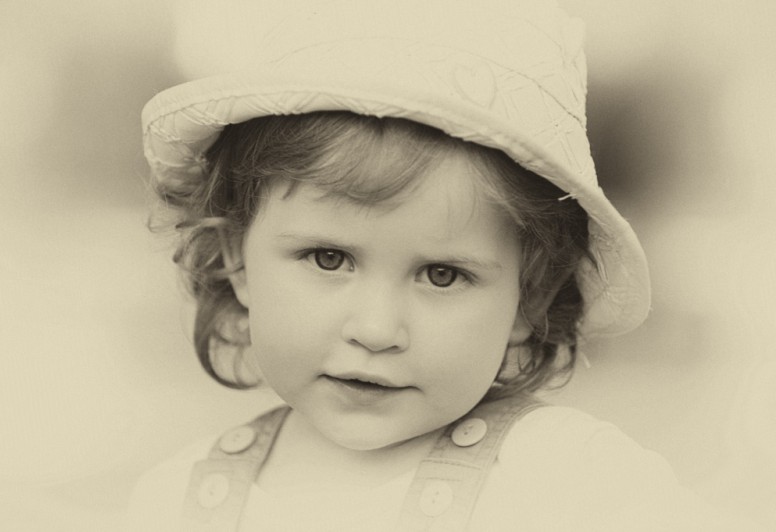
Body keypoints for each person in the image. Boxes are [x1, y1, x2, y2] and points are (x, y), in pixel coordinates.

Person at [127, 0, 756, 530]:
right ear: (238, 257)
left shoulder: (573, 483)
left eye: (442, 275)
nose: (375, 329)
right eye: (329, 258)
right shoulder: (172, 501)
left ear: (530, 296)